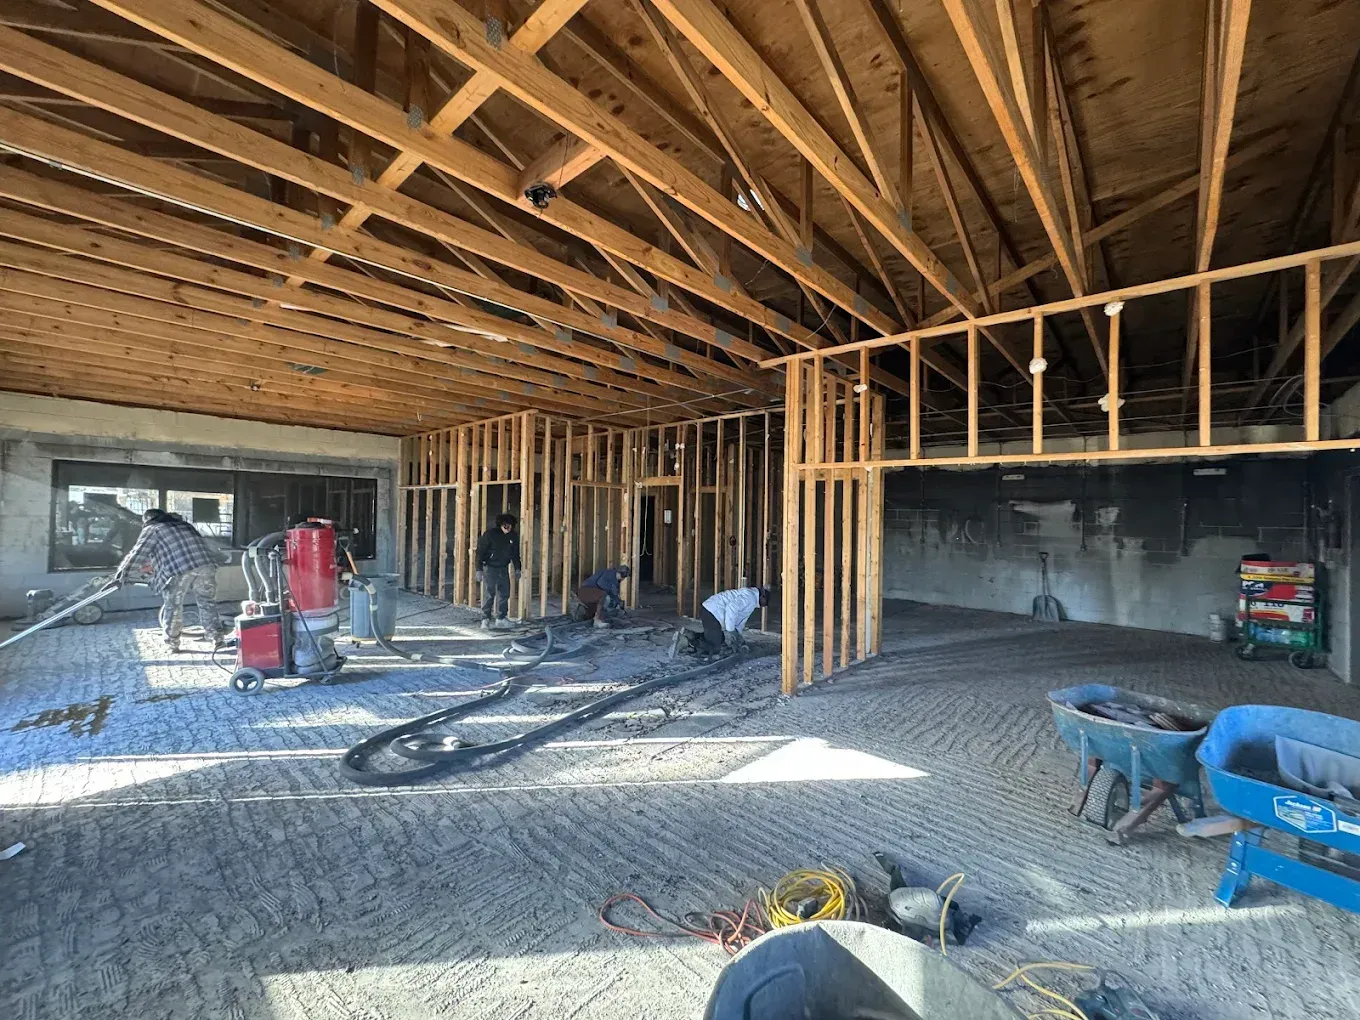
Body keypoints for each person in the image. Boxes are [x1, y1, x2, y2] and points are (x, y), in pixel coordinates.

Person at [113, 508, 225, 652]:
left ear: (148, 520)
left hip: (179, 569)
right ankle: (216, 638)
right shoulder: (185, 525)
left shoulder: (153, 529)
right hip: (206, 565)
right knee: (207, 602)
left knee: (173, 606)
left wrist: (121, 575)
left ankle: (172, 644)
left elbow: (138, 553)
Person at [693, 585, 771, 654]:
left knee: (719, 639)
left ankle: (690, 635)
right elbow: (731, 609)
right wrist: (731, 631)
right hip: (711, 612)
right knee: (716, 647)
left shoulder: (752, 600)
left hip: (710, 611)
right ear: (762, 596)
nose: (765, 605)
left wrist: (738, 636)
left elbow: (740, 620)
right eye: (766, 601)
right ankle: (686, 641)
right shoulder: (749, 597)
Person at [475, 513, 520, 629]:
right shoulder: (490, 535)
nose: (507, 528)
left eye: (510, 526)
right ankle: (485, 619)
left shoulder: (513, 536)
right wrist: (478, 569)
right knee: (489, 594)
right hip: (490, 568)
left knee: (504, 593)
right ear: (500, 525)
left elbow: (515, 554)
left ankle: (501, 618)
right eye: (505, 525)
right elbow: (480, 552)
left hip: (503, 568)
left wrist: (517, 568)